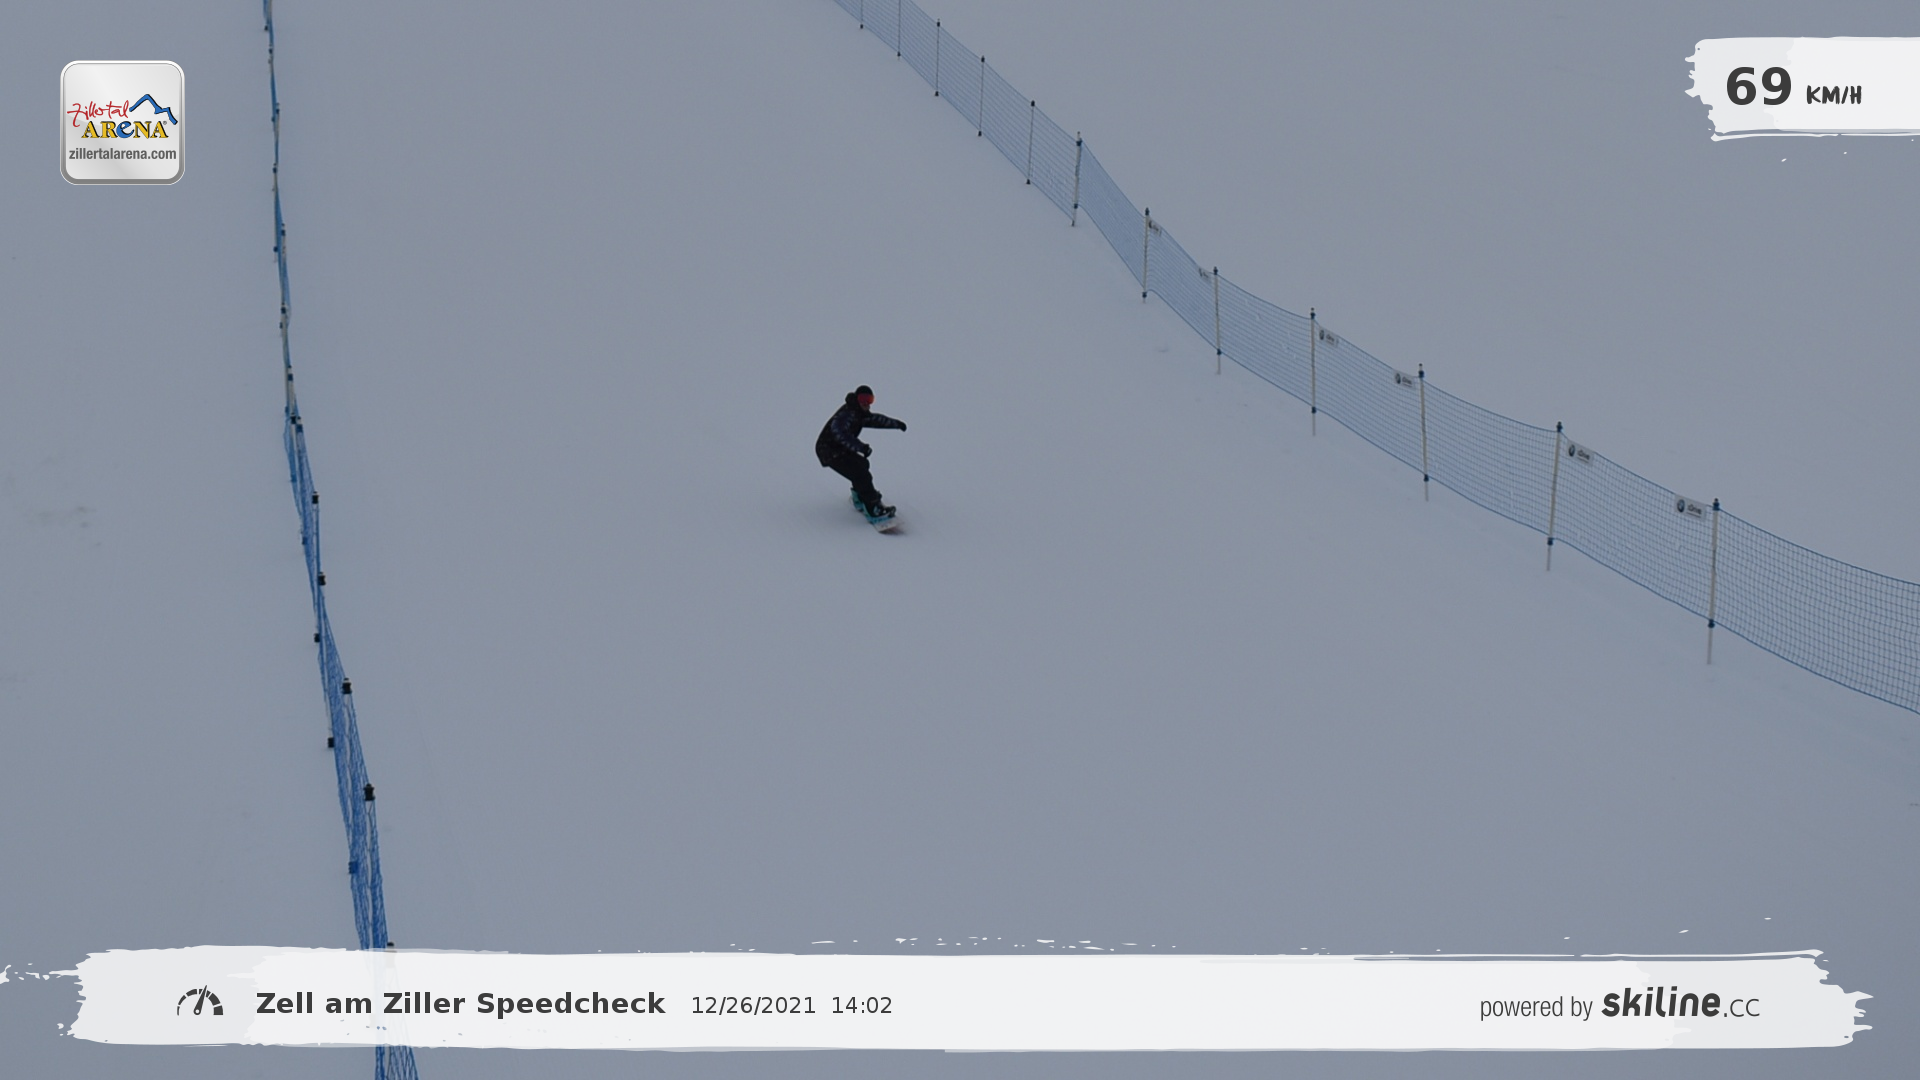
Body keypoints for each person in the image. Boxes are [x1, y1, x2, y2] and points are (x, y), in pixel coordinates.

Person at [815, 385, 906, 516]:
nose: (866, 403)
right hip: (828, 451)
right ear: (856, 399)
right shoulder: (847, 414)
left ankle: (859, 496)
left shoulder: (859, 413)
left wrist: (897, 424)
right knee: (861, 474)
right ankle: (872, 508)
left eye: (869, 400)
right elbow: (840, 433)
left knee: (862, 464)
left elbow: (876, 420)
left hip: (839, 448)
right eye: (863, 399)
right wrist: (860, 447)